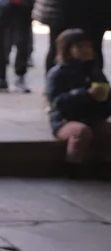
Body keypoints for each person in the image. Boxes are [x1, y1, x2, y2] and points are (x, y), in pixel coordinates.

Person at [46, 29, 111, 178]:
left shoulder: (94, 71)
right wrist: (85, 94)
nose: (86, 50)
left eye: (88, 46)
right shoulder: (58, 73)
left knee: (107, 131)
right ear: (67, 50)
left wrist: (106, 97)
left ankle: (105, 165)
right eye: (80, 46)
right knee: (81, 131)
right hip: (65, 120)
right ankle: (72, 166)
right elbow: (57, 103)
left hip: (92, 118)